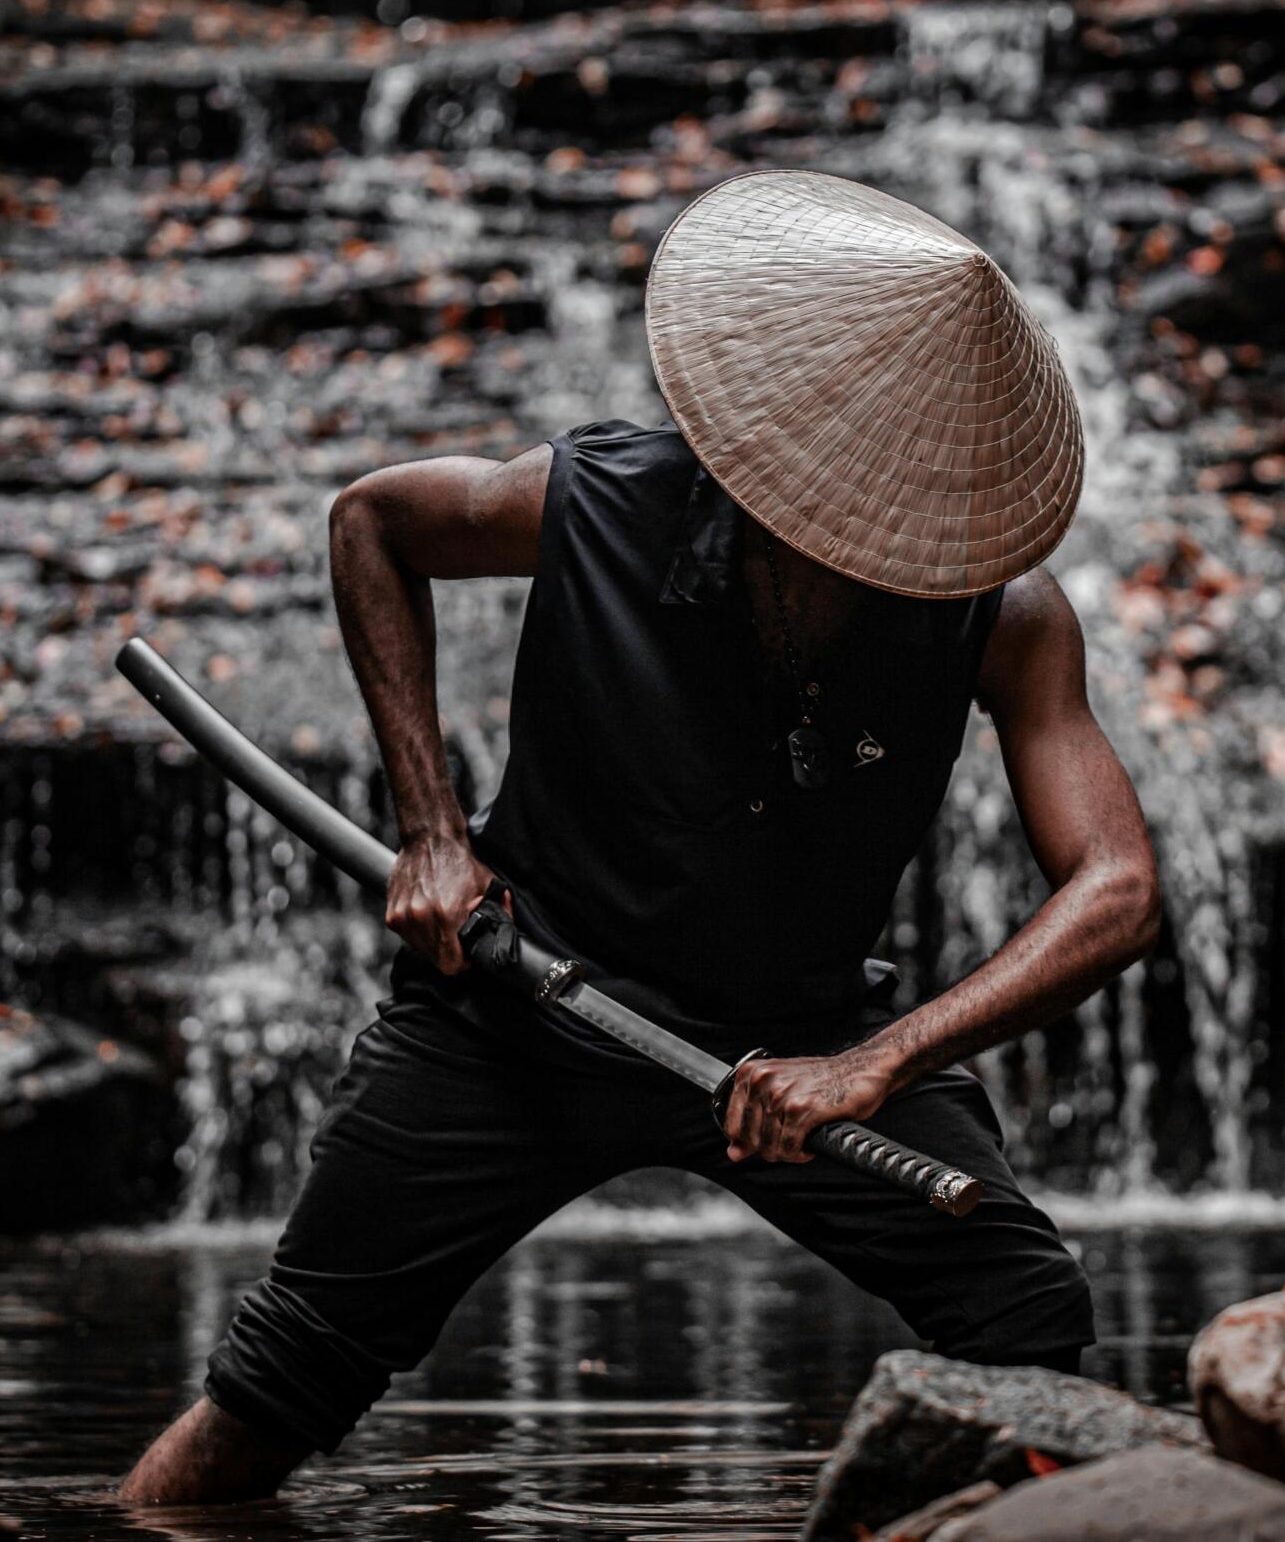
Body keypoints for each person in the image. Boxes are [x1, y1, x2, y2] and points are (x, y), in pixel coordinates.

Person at [120, 170, 1161, 1504]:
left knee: (1028, 1319)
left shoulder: (1002, 614)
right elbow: (372, 521)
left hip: (806, 1035)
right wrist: (434, 834)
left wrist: (876, 1065)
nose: (867, 541)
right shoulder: (603, 497)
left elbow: (1120, 888)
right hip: (515, 1006)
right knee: (275, 1396)